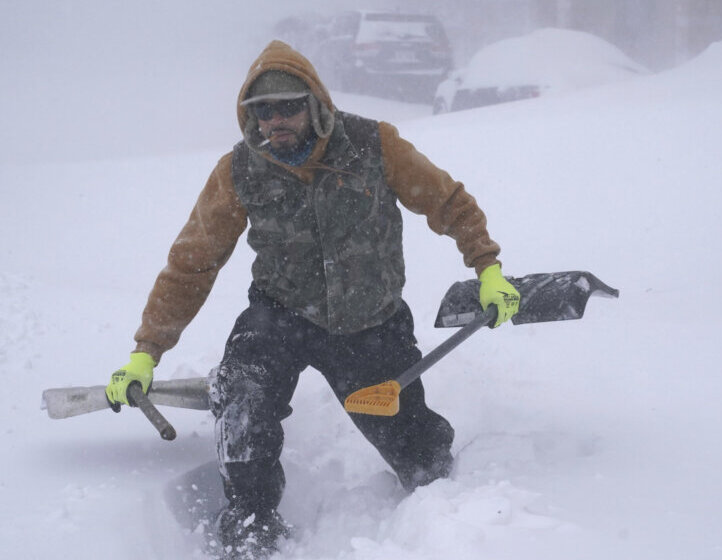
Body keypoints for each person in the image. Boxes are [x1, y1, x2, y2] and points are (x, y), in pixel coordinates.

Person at [103, 40, 520, 559]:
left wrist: (488, 269)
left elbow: (448, 202)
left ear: (315, 104)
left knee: (417, 457)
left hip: (370, 321)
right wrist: (146, 351)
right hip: (279, 313)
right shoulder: (238, 171)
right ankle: (251, 522)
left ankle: (442, 502)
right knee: (244, 401)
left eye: (288, 106)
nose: (275, 121)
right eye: (262, 111)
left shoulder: (374, 145)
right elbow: (191, 264)